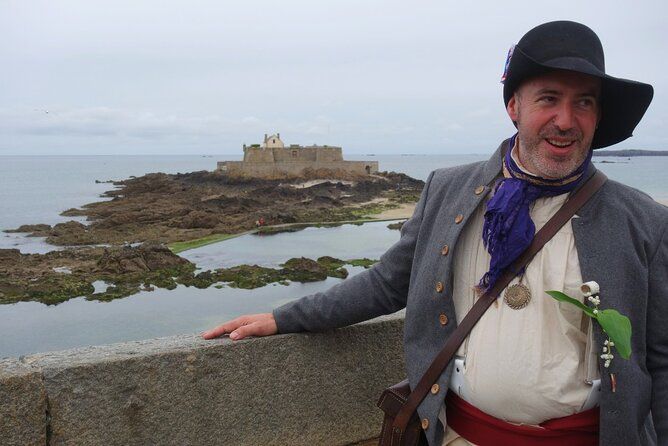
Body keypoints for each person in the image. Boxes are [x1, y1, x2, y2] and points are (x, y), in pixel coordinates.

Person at [203, 21, 667, 446]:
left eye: (583, 102)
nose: (566, 120)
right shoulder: (449, 190)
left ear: (597, 116)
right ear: (513, 107)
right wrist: (286, 317)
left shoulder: (643, 220)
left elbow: (662, 360)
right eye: (548, 98)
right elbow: (389, 282)